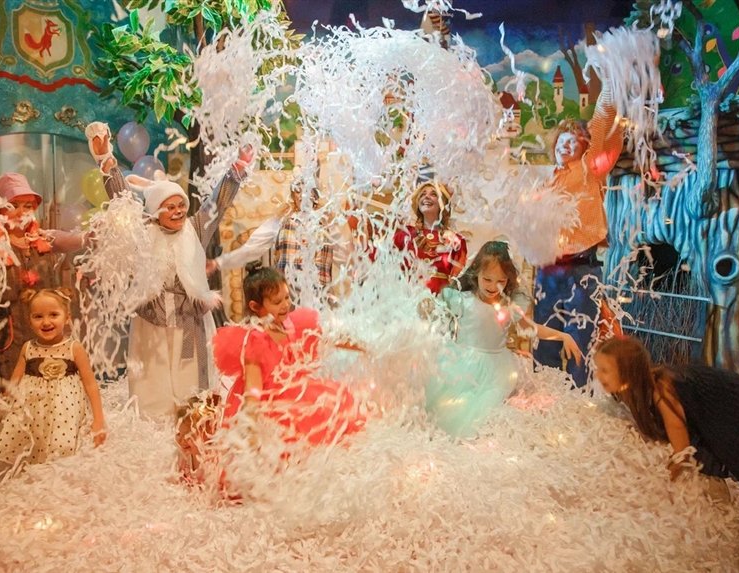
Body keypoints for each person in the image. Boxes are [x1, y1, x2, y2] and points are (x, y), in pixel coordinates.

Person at [85, 121, 253, 418]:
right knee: (155, 378)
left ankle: (194, 415)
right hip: (153, 319)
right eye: (169, 206)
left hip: (190, 320)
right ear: (155, 210)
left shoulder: (196, 227)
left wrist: (237, 169)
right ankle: (155, 419)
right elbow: (122, 198)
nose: (177, 211)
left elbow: (217, 203)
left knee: (193, 384)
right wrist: (106, 160)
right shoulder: (142, 231)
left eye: (180, 205)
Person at [426, 241, 581, 438]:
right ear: (476, 274)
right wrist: (425, 308)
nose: (493, 286)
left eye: (501, 281)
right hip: (462, 364)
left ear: (509, 279)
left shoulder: (509, 306)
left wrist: (562, 335)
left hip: (496, 370)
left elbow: (530, 328)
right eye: (487, 279)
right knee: (453, 409)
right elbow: (434, 315)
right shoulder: (461, 300)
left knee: (485, 413)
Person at [533, 77, 624, 388]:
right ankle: (544, 391)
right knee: (545, 333)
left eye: (574, 141)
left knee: (581, 335)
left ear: (585, 148)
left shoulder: (589, 168)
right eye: (563, 139)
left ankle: (578, 393)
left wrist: (610, 79)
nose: (566, 145)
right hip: (548, 269)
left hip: (582, 268)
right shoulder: (545, 179)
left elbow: (602, 123)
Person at [213, 266, 365, 446]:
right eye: (277, 302)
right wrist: (250, 425)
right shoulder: (256, 342)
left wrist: (366, 346)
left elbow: (330, 338)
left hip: (298, 397)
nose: (285, 305)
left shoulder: (293, 324)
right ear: (255, 307)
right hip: (273, 409)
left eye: (287, 297)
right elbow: (252, 390)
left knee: (338, 403)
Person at [594, 336, 739, 489]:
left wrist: (661, 483)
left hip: (732, 403)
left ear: (627, 372)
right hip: (712, 411)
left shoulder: (662, 390)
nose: (598, 376)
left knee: (732, 456)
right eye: (598, 368)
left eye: (605, 370)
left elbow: (681, 446)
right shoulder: (630, 391)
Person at [0, 172, 84, 391]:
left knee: (43, 392)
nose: (21, 212)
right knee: (7, 397)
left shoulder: (42, 239)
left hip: (43, 336)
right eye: (13, 206)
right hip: (5, 342)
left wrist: (104, 228)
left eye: (27, 206)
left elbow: (78, 240)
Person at [0, 288, 106, 465]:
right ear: (30, 321)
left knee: (61, 452)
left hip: (64, 412)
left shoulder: (74, 348)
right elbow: (15, 381)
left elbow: (91, 385)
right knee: (31, 445)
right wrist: (3, 404)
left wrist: (99, 420)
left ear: (67, 317)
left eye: (54, 315)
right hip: (33, 410)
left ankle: (58, 471)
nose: (46, 322)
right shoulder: (28, 348)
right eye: (38, 316)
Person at [394, 180, 467, 295]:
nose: (426, 196)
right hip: (408, 297)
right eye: (422, 194)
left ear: (443, 204)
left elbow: (457, 278)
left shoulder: (456, 240)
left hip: (441, 299)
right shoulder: (405, 233)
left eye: (433, 194)